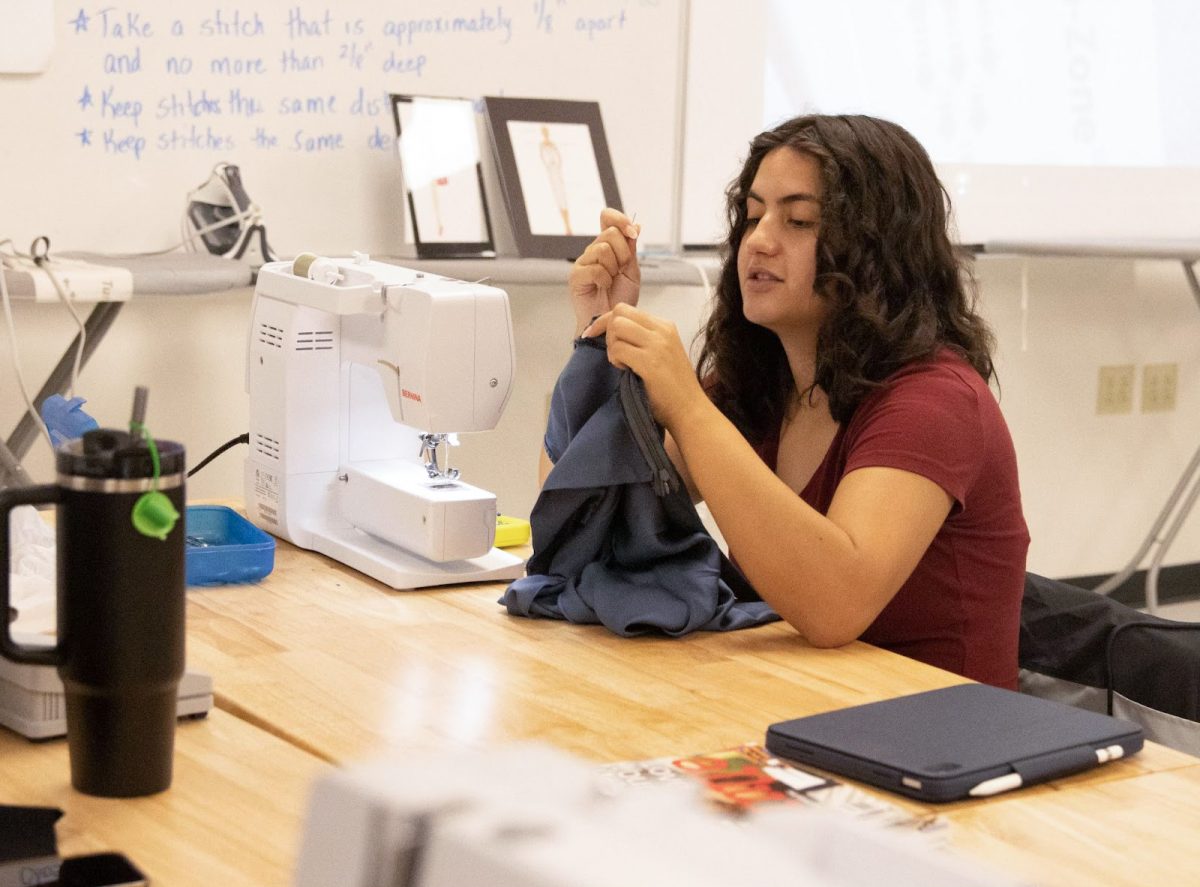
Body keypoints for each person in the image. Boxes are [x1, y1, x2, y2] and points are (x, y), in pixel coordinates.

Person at [544, 114, 1029, 689]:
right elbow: (580, 526)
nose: (760, 240)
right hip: (796, 708)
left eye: (799, 221)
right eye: (752, 216)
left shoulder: (937, 402)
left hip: (934, 739)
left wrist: (689, 408)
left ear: (878, 248)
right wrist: (596, 342)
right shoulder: (763, 382)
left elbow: (834, 607)